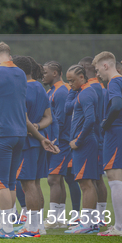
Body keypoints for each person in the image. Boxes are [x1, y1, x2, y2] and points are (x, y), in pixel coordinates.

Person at [0, 42, 57, 239]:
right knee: (12, 183)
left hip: (2, 133)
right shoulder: (20, 75)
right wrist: (41, 137)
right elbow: (24, 114)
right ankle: (16, 225)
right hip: (20, 135)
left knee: (1, 183)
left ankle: (6, 228)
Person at [13, 56, 52, 237]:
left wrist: (32, 128)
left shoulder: (22, 88)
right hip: (38, 140)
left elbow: (25, 119)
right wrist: (38, 128)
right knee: (35, 184)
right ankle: (39, 225)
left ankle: (32, 227)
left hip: (28, 142)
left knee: (28, 185)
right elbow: (48, 118)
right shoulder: (39, 87)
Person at [93, 52, 122, 236]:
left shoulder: (114, 82)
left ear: (106, 66)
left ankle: (120, 227)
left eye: (98, 69)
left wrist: (105, 124)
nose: (97, 73)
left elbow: (116, 105)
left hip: (116, 132)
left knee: (115, 181)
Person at [42, 61, 81, 228]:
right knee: (59, 178)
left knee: (53, 178)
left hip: (62, 142)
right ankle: (59, 218)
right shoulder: (52, 91)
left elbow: (62, 119)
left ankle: (54, 218)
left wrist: (55, 140)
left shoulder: (61, 91)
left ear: (55, 73)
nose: (43, 75)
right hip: (57, 140)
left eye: (45, 72)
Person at [64, 64, 100, 234]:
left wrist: (78, 141)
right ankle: (91, 223)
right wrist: (73, 88)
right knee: (86, 182)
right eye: (68, 81)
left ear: (82, 77)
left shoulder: (86, 93)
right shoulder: (81, 92)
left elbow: (91, 120)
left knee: (86, 183)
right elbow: (67, 108)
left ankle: (86, 223)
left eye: (72, 81)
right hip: (83, 143)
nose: (69, 84)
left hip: (85, 143)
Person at [78, 57, 108, 225]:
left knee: (94, 179)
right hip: (98, 137)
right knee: (96, 178)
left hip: (95, 138)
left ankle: (99, 217)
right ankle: (98, 216)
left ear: (83, 68)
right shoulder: (98, 87)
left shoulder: (93, 88)